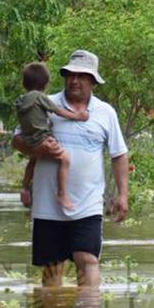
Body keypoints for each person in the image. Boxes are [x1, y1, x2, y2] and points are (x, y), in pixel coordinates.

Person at [12, 49, 129, 287]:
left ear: (93, 81)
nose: (75, 80)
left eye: (82, 76)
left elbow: (119, 154)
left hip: (88, 203)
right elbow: (17, 140)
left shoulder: (105, 113)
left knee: (87, 259)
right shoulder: (45, 103)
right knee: (53, 270)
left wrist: (123, 195)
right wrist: (37, 151)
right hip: (47, 205)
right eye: (70, 75)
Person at [16, 61, 89, 210]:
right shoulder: (40, 97)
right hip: (44, 139)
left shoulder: (21, 101)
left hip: (30, 140)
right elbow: (57, 110)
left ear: (24, 83)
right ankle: (62, 193)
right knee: (65, 160)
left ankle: (24, 187)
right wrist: (76, 116)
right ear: (46, 84)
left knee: (33, 160)